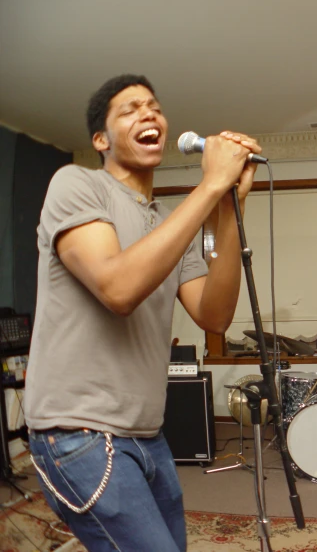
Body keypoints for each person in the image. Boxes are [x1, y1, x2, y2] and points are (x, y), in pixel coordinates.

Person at [24, 74, 262, 551]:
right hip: (79, 431)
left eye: (153, 106)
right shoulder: (76, 184)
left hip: (146, 435)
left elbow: (214, 316)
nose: (148, 114)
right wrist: (211, 185)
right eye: (129, 110)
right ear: (101, 139)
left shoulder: (170, 221)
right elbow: (118, 288)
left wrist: (229, 205)